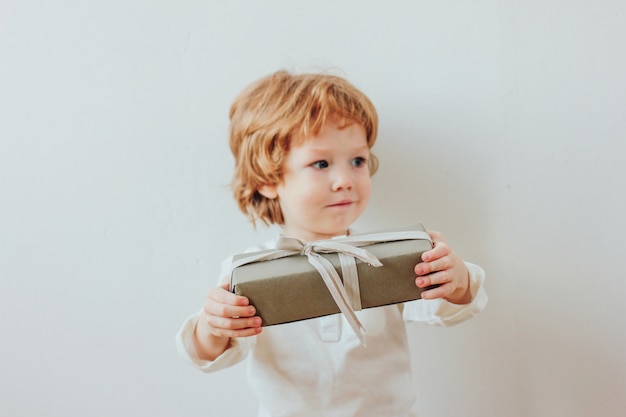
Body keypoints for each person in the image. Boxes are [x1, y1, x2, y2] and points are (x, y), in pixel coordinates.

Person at [176, 70, 488, 417]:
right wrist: (213, 325)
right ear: (267, 179)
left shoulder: (384, 255)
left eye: (357, 160)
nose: (344, 180)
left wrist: (455, 278)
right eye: (320, 163)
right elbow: (206, 353)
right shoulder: (249, 270)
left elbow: (450, 305)